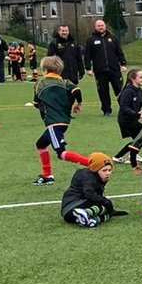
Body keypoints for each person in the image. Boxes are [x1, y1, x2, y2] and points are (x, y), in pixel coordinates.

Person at [32, 55, 90, 186]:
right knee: (40, 144)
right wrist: (78, 103)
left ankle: (91, 163)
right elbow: (77, 90)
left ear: (45, 70)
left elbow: (36, 103)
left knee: (61, 153)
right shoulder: (65, 82)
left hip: (53, 123)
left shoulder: (39, 83)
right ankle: (47, 175)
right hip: (64, 121)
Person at [61, 152, 126, 228]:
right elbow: (89, 193)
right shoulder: (88, 176)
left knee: (108, 215)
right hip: (73, 207)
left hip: (69, 213)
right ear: (95, 169)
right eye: (104, 170)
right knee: (103, 204)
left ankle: (88, 220)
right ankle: (85, 213)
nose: (108, 173)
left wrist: (110, 210)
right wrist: (107, 202)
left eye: (109, 170)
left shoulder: (96, 176)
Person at [84, 19, 127, 116]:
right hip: (100, 71)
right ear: (95, 27)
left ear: (105, 26)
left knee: (120, 90)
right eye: (98, 25)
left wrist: (123, 64)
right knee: (103, 92)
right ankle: (106, 110)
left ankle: (125, 109)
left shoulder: (113, 38)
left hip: (114, 70)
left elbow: (119, 52)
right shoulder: (91, 40)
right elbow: (87, 55)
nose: (100, 27)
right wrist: (88, 68)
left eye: (102, 25)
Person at [112, 68, 142, 164]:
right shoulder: (128, 91)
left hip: (133, 120)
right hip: (126, 120)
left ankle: (123, 156)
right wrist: (137, 114)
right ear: (133, 79)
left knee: (141, 138)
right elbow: (124, 107)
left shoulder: (140, 91)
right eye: (140, 77)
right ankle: (125, 156)